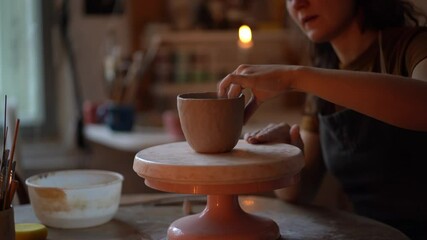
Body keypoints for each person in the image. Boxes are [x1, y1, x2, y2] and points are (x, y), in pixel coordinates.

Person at [218, 0, 427, 239]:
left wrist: (293, 77)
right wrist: (287, 153)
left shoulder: (412, 47)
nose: (297, 3)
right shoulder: (323, 73)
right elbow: (300, 191)